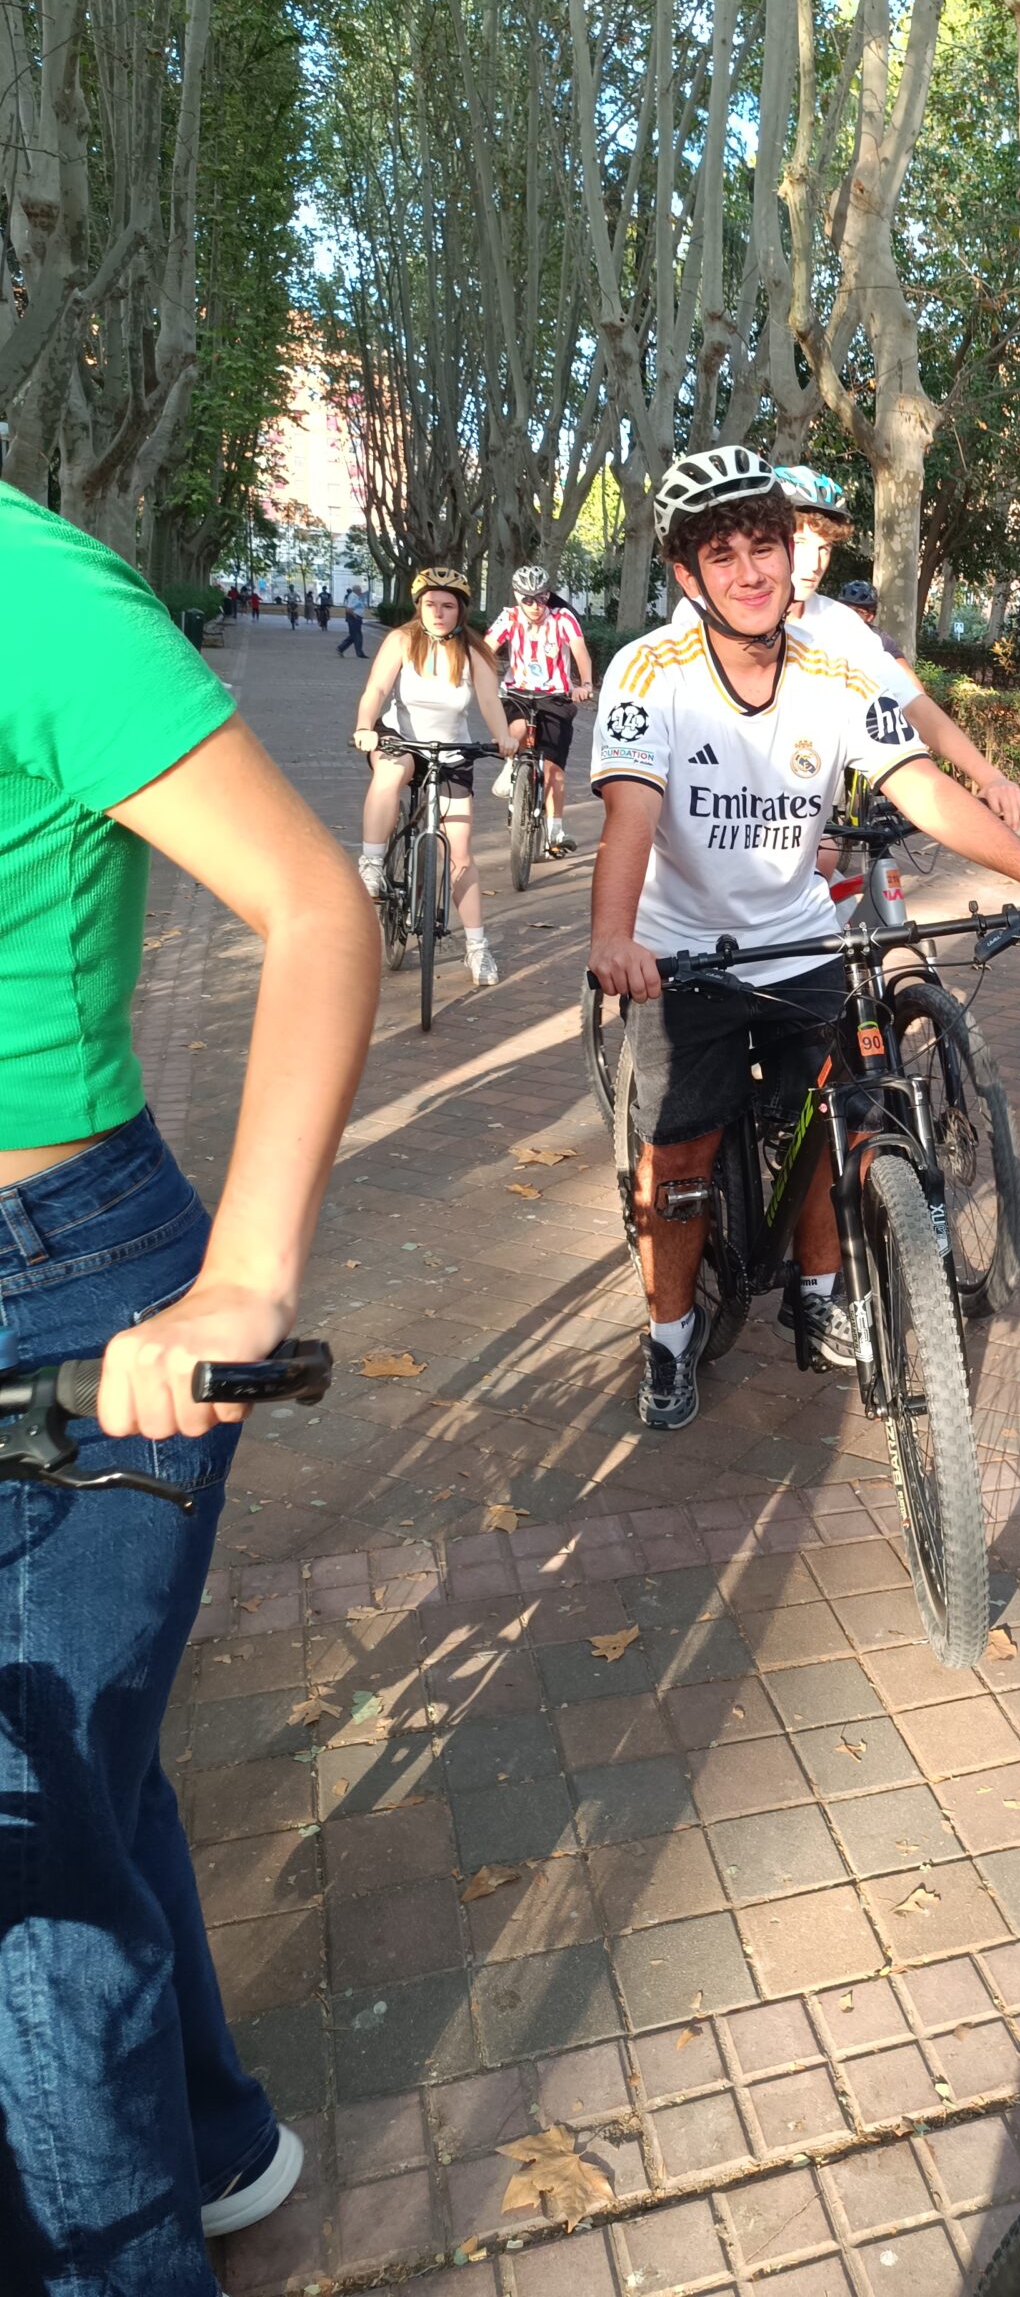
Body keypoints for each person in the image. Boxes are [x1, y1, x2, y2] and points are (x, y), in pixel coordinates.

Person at [0, 482, 379, 2295]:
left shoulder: (30, 589)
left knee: (32, 1904)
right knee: (81, 1769)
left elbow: (315, 908)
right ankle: (214, 2137)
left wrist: (245, 1277)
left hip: (65, 1286)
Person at [587, 447, 1020, 1432]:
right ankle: (669, 1336)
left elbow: (923, 787)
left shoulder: (834, 667)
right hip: (684, 953)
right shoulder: (650, 672)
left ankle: (820, 1295)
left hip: (800, 941)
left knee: (837, 1122)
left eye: (765, 548)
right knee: (681, 1161)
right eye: (723, 555)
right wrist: (615, 936)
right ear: (688, 575)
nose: (751, 572)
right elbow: (630, 820)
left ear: (791, 555)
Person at [668, 464, 1020, 828]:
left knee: (828, 853)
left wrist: (989, 776)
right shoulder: (702, 613)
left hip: (801, 803)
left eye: (824, 548)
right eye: (801, 544)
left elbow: (910, 701)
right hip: (714, 800)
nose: (814, 564)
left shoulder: (839, 623)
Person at [350, 567, 529, 987]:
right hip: (402, 738)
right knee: (391, 773)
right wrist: (364, 725)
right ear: (419, 606)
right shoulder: (402, 640)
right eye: (430, 604)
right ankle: (372, 864)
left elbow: (489, 701)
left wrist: (503, 737)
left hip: (453, 752)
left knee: (460, 854)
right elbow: (377, 689)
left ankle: (477, 948)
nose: (438, 612)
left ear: (461, 610)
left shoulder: (473, 651)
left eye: (448, 605)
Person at [485, 563, 595, 856]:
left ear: (548, 595)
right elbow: (486, 648)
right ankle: (511, 765)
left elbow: (580, 651)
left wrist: (584, 684)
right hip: (517, 693)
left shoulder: (563, 618)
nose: (535, 606)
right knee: (517, 729)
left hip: (555, 696)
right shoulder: (509, 617)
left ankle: (555, 831)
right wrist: (475, 674)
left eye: (542, 597)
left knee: (553, 769)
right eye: (528, 599)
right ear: (516, 595)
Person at [337, 582, 368, 658]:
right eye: (360, 590)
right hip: (354, 618)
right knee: (357, 635)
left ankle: (341, 648)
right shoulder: (353, 597)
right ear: (357, 590)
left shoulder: (355, 596)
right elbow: (348, 609)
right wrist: (355, 616)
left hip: (355, 617)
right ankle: (359, 653)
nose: (361, 591)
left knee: (354, 635)